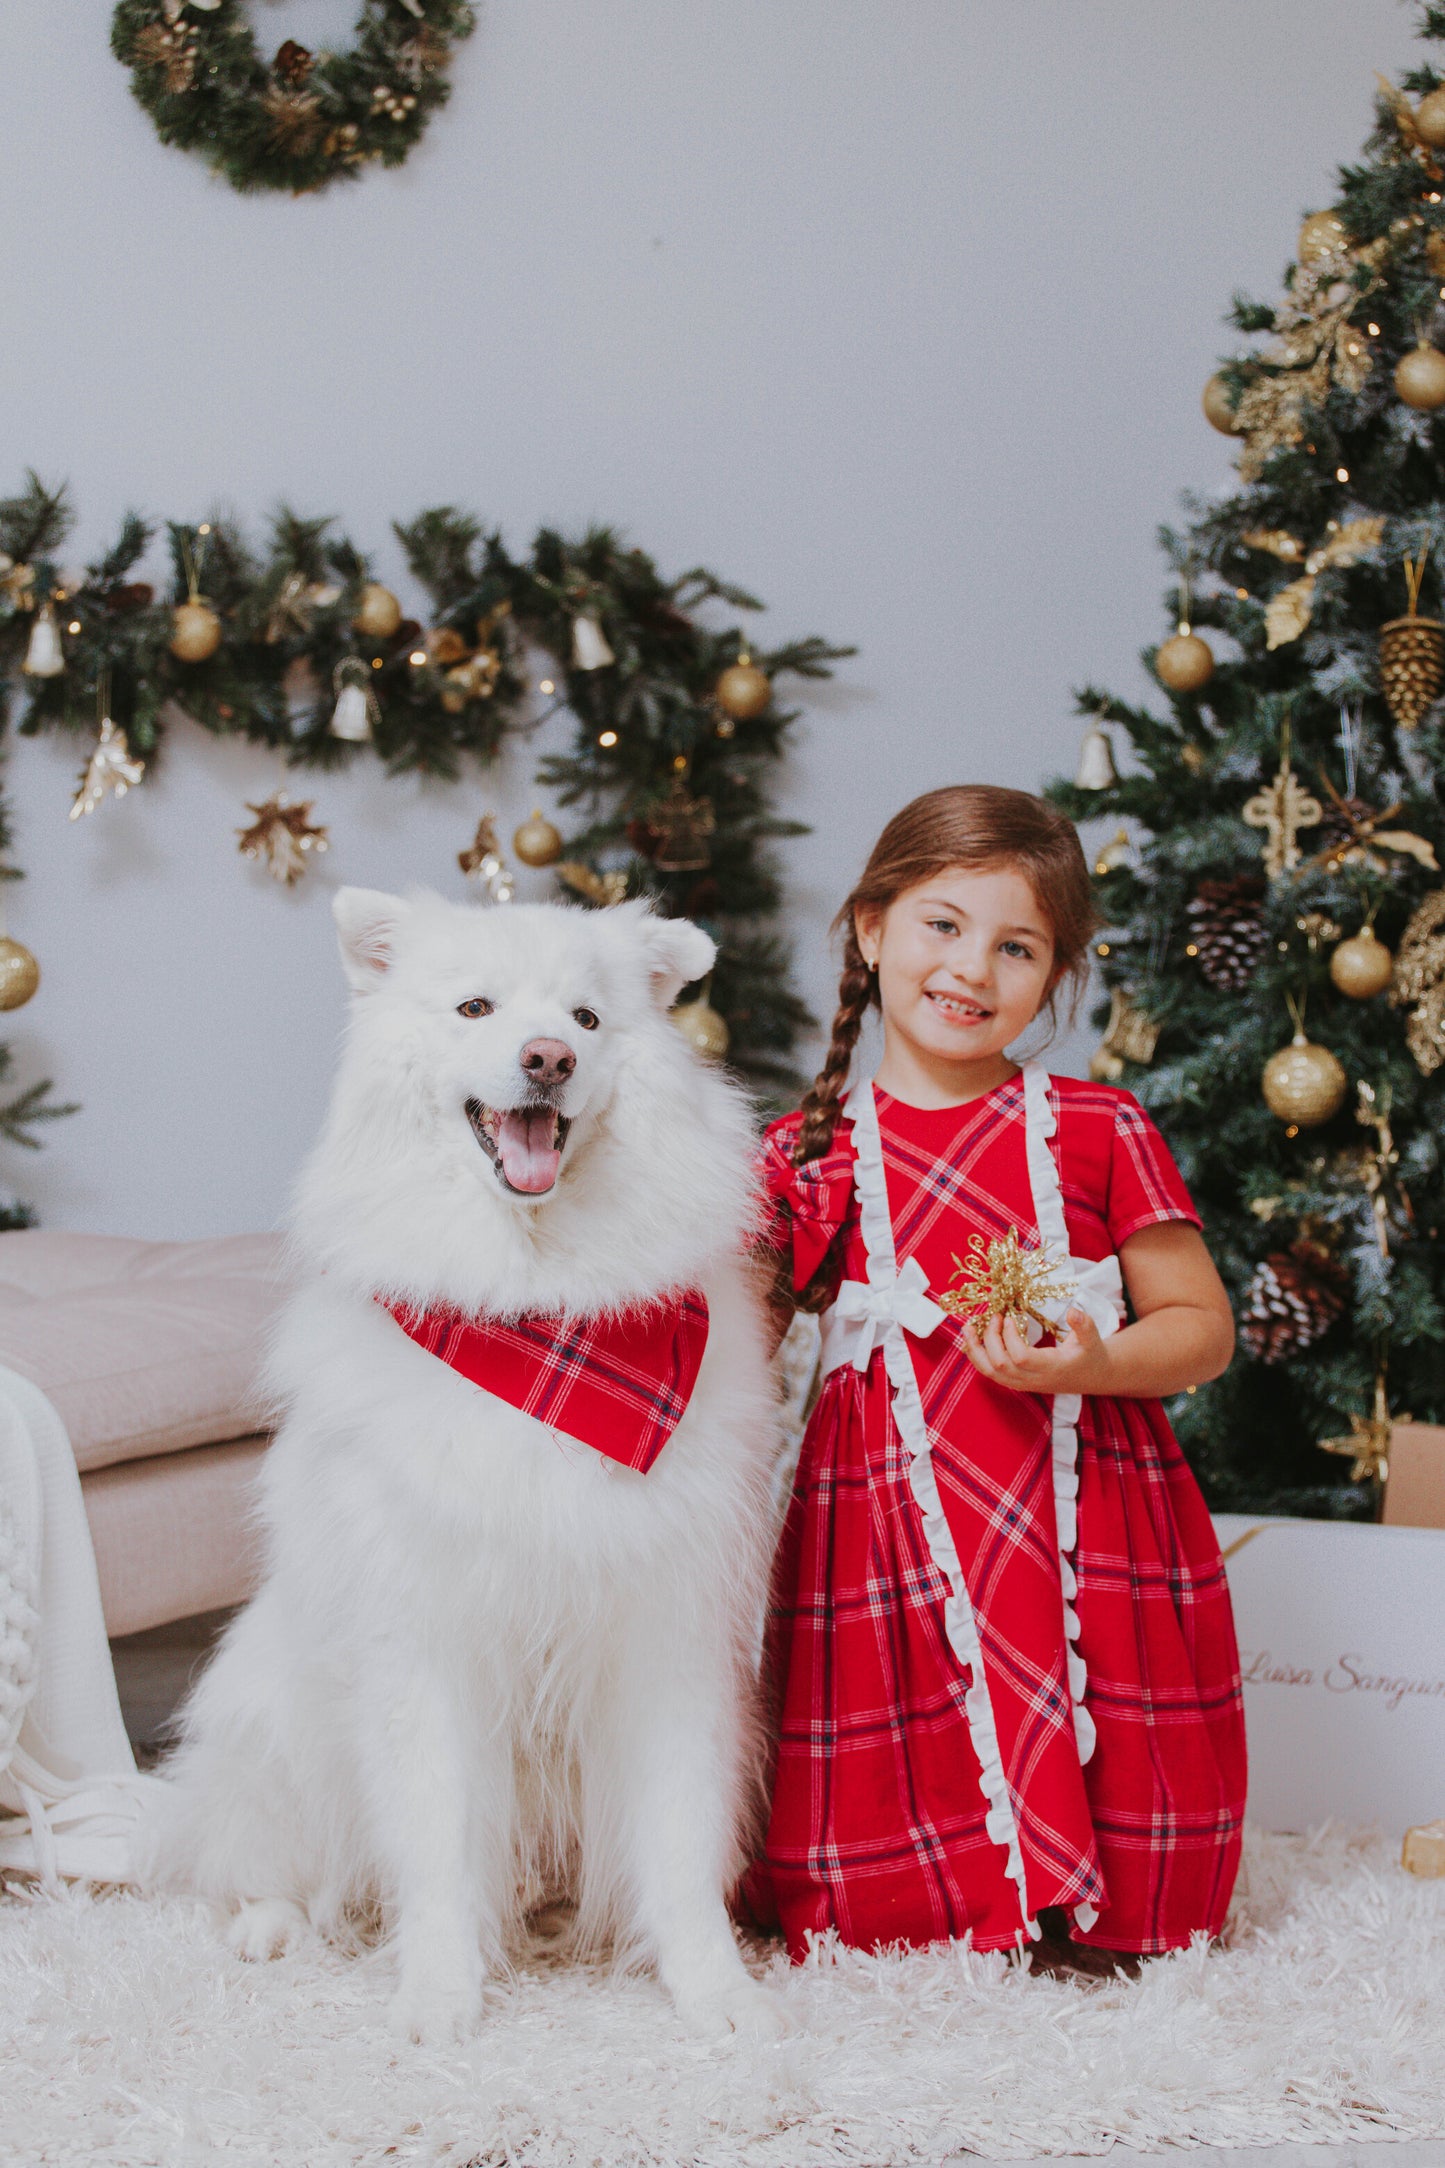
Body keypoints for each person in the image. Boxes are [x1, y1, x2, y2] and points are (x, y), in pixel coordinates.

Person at [753, 784, 1246, 1968]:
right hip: (881, 1519)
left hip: (1081, 1500)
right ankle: (935, 1892)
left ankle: (1097, 1895)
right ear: (869, 928)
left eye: (1015, 945)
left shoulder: (1097, 1125)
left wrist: (1096, 1356)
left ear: (1055, 977)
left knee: (1104, 1699)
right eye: (941, 924)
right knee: (887, 1737)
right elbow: (731, 1341)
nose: (970, 966)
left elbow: (1201, 1326)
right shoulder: (803, 1152)